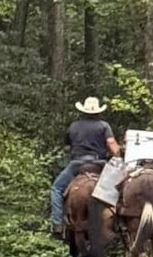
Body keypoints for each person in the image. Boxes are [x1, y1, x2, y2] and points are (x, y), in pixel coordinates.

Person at [50, 96, 121, 239]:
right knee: (121, 188)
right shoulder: (104, 126)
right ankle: (121, 223)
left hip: (77, 164)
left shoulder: (74, 126)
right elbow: (112, 146)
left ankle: (57, 224)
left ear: (83, 111)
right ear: (98, 112)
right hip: (99, 164)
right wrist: (119, 154)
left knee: (56, 189)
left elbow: (67, 148)